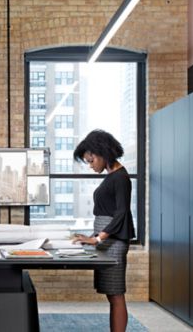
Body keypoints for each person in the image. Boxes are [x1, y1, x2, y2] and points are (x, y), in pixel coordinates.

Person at [71, 129, 135, 332]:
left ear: (102, 153)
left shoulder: (120, 178)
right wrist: (91, 237)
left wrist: (98, 239)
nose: (91, 166)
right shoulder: (112, 176)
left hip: (113, 242)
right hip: (106, 239)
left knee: (116, 294)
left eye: (91, 161)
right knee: (111, 294)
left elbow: (121, 214)